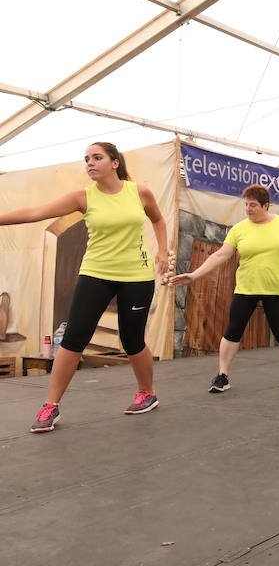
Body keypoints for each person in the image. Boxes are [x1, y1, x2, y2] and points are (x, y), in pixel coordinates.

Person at [0, 142, 169, 433]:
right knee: (74, 338)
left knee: (132, 341)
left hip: (136, 276)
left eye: (97, 157)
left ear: (115, 163)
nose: (90, 163)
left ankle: (147, 393)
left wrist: (163, 251)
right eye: (87, 159)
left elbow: (158, 219)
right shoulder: (84, 197)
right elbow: (37, 212)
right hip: (96, 274)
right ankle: (51, 405)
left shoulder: (139, 193)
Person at [170, 185, 279, 392]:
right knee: (232, 332)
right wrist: (194, 275)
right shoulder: (239, 229)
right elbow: (220, 255)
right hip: (246, 288)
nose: (248, 209)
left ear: (266, 206)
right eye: (246, 205)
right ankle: (223, 375)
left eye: (253, 205)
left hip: (276, 288)